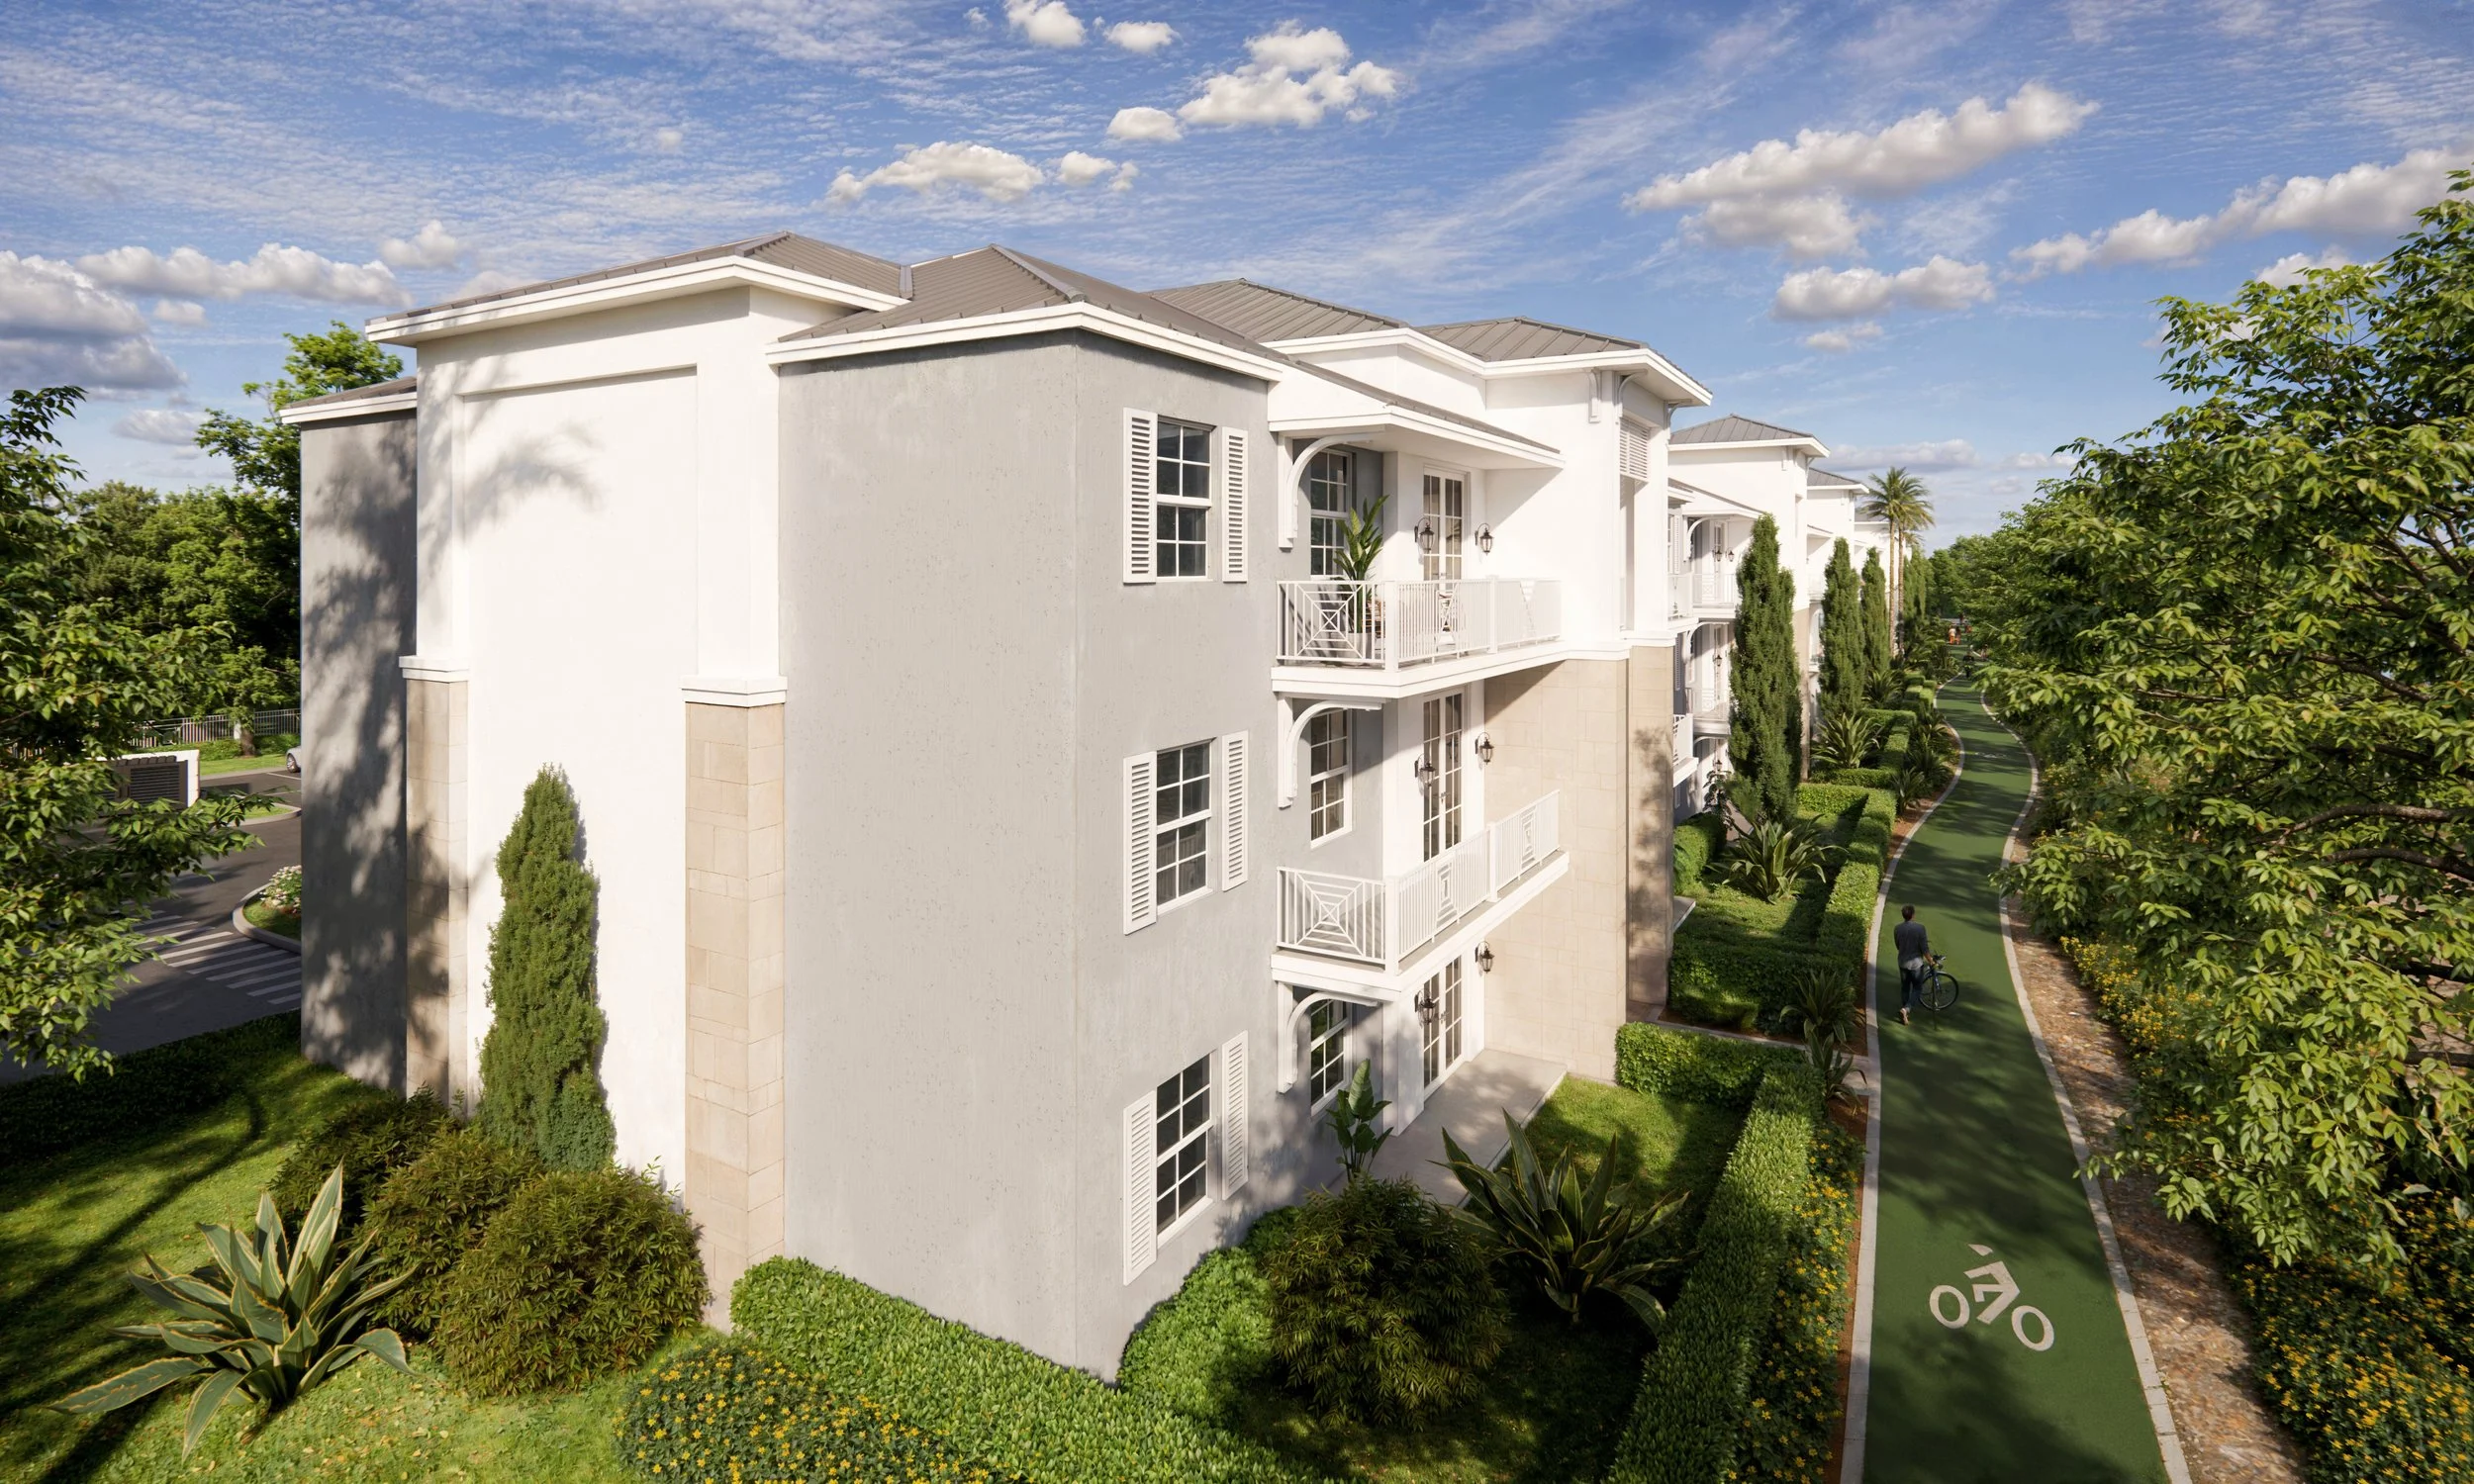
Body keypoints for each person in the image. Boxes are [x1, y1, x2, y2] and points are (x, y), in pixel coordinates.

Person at [1894, 904, 1931, 1025]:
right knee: (1917, 988)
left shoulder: (1897, 928)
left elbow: (1898, 945)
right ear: (1913, 915)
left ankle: (1903, 1012)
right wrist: (1931, 960)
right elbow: (1924, 949)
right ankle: (1906, 1009)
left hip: (1902, 962)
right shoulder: (1920, 928)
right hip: (1916, 964)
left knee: (1905, 987)